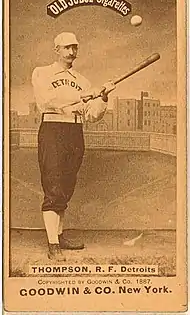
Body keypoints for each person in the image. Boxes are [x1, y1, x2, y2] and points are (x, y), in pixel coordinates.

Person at [32, 32, 115, 260]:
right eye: (67, 48)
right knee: (53, 185)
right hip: (53, 129)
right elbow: (45, 101)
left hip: (75, 131)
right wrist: (83, 98)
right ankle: (52, 245)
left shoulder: (82, 80)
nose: (71, 52)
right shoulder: (42, 73)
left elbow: (92, 116)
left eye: (75, 48)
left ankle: (59, 236)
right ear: (56, 49)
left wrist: (102, 98)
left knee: (67, 185)